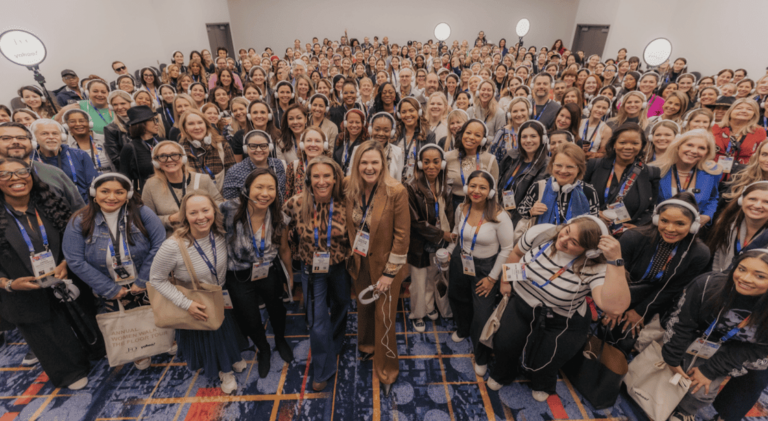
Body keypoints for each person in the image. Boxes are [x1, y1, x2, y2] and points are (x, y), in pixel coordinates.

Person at [488, 215, 628, 401]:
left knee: (548, 358)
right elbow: (516, 254)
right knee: (505, 344)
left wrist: (615, 261)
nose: (563, 240)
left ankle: (542, 383)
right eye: (566, 231)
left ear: (590, 251)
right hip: (521, 305)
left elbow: (615, 308)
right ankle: (502, 374)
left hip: (560, 320)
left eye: (574, 242)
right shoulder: (541, 233)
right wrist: (505, 282)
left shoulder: (594, 267)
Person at [0, 157, 91, 389]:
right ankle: (68, 372)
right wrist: (8, 284)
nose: (16, 178)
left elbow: (76, 238)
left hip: (63, 277)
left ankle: (94, 351)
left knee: (86, 325)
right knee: (47, 336)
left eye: (21, 171)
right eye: (5, 174)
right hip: (22, 291)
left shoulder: (51, 202)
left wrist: (67, 262)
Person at [63, 172, 167, 369]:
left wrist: (142, 280)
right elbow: (74, 260)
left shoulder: (142, 213)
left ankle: (166, 340)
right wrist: (109, 289)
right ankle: (139, 350)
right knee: (127, 320)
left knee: (158, 312)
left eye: (119, 192)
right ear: (94, 193)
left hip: (146, 277)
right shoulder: (79, 220)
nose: (112, 197)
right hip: (107, 283)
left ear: (127, 195)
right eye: (105, 191)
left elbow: (160, 245)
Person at [149, 191, 247, 394]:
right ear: (185, 215)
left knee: (227, 332)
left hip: (219, 296)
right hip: (196, 302)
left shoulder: (220, 233)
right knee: (213, 340)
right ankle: (224, 371)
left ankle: (233, 357)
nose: (201, 217)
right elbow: (156, 279)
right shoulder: (172, 246)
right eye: (193, 212)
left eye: (205, 210)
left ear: (214, 211)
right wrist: (187, 304)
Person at [663, 250, 768, 421]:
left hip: (738, 349)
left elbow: (760, 351)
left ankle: (686, 411)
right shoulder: (707, 285)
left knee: (703, 388)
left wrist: (711, 370)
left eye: (760, 276)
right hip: (699, 335)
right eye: (741, 269)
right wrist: (672, 357)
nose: (745, 279)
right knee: (672, 370)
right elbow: (682, 323)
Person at [604, 194, 710, 354]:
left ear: (693, 226)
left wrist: (641, 311)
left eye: (680, 223)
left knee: (625, 341)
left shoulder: (700, 254)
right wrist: (613, 306)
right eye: (664, 221)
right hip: (617, 292)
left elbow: (672, 289)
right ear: (656, 219)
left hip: (652, 301)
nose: (670, 229)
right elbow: (613, 274)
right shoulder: (633, 237)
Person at [345, 140, 409, 396]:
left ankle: (387, 369)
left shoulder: (396, 191)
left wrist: (389, 274)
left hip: (385, 268)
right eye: (364, 162)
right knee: (364, 308)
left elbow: (402, 238)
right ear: (356, 163)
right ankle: (367, 346)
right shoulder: (350, 186)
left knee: (384, 318)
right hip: (360, 261)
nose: (369, 167)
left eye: (375, 162)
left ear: (384, 163)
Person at [283, 156, 350, 391]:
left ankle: (337, 339)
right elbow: (280, 224)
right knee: (317, 319)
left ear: (335, 178)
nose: (321, 181)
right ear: (309, 179)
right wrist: (287, 251)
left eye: (326, 176)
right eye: (316, 176)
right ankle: (322, 369)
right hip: (312, 270)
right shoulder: (296, 203)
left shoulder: (346, 203)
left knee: (342, 304)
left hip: (340, 266)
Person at [221, 168, 294, 379]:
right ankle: (264, 349)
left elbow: (284, 249)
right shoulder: (227, 209)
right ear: (246, 189)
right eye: (259, 187)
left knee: (277, 310)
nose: (265, 193)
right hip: (238, 275)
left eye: (270, 188)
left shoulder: (279, 216)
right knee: (250, 317)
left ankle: (280, 340)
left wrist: (289, 278)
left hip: (268, 270)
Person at [446, 170, 514, 375]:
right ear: (466, 188)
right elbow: (458, 233)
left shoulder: (500, 217)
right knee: (457, 297)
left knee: (482, 312)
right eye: (473, 186)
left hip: (486, 267)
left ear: (491, 191)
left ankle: (481, 354)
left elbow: (507, 249)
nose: (476, 191)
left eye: (482, 187)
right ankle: (463, 329)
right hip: (461, 259)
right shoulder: (462, 208)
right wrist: (451, 252)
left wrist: (492, 278)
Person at [406, 144, 456, 331]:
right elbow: (415, 222)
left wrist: (447, 238)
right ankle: (417, 314)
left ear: (442, 164)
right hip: (419, 242)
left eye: (436, 162)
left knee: (432, 277)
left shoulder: (446, 186)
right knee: (418, 281)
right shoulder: (411, 187)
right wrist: (442, 234)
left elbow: (449, 215)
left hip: (439, 242)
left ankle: (428, 307)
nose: (431, 166)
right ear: (419, 163)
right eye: (426, 162)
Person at [584, 123, 660, 232]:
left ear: (642, 145)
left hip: (626, 236)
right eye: (622, 142)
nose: (628, 147)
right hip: (591, 229)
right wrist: (595, 212)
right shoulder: (594, 165)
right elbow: (578, 195)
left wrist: (638, 227)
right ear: (614, 144)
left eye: (635, 143)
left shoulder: (650, 173)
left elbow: (650, 209)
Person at [142, 141, 222, 237]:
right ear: (156, 162)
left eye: (174, 155)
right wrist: (171, 219)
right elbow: (146, 220)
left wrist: (202, 211)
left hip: (204, 236)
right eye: (163, 156)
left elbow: (219, 204)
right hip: (172, 241)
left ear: (183, 158)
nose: (169, 159)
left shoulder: (202, 179)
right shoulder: (151, 185)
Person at [0, 122, 84, 210]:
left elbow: (80, 211)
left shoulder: (53, 173)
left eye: (21, 138)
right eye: (6, 138)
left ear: (32, 143)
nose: (15, 142)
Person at [518, 142, 599, 224]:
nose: (563, 171)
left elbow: (594, 224)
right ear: (552, 165)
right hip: (542, 236)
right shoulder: (538, 187)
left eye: (570, 166)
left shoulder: (588, 191)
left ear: (579, 169)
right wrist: (531, 211)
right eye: (558, 165)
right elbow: (521, 210)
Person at [653, 129, 722, 224]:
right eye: (689, 145)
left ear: (707, 152)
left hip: (694, 229)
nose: (694, 151)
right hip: (659, 226)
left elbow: (713, 197)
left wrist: (707, 215)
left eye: (701, 148)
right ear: (678, 146)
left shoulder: (712, 172)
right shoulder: (655, 170)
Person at [31, 118, 98, 203]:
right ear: (34, 137)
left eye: (55, 133)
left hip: (82, 206)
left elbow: (93, 185)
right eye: (44, 134)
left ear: (62, 137)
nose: (51, 137)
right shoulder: (31, 159)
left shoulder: (80, 155)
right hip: (50, 208)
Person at [709, 182, 768, 272]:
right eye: (752, 199)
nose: (757, 205)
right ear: (741, 200)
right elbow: (718, 258)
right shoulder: (727, 224)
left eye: (766, 202)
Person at [445, 119, 499, 210]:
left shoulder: (490, 160)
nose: (471, 137)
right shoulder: (447, 157)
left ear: (483, 140)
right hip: (451, 206)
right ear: (462, 134)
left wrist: (494, 212)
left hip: (480, 206)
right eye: (468, 133)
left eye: (477, 135)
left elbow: (494, 191)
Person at [178, 109, 236, 191]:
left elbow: (232, 176)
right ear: (185, 128)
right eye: (191, 124)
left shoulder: (222, 145)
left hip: (221, 199)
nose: (197, 127)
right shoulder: (179, 152)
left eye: (200, 122)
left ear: (206, 125)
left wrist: (226, 199)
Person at [222, 130, 287, 201]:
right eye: (253, 146)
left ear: (270, 147)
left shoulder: (278, 164)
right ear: (246, 148)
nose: (258, 150)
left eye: (263, 146)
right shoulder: (234, 172)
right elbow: (229, 204)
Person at [119, 106, 163, 193]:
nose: (157, 123)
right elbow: (124, 178)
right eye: (153, 120)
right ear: (141, 124)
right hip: (146, 193)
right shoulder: (130, 148)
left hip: (169, 190)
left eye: (156, 120)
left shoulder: (163, 142)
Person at [713, 99, 767, 167]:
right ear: (730, 111)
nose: (744, 111)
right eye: (739, 108)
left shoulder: (759, 131)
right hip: (714, 169)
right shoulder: (715, 127)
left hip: (744, 172)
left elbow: (762, 154)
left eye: (749, 109)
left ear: (754, 114)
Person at [63, 108, 113, 174]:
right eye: (72, 121)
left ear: (90, 123)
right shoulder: (64, 146)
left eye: (82, 121)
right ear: (66, 126)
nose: (78, 124)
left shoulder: (105, 139)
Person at [286, 128, 330, 198]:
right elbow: (287, 197)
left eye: (317, 141)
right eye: (309, 140)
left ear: (324, 145)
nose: (313, 144)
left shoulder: (332, 168)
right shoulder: (293, 167)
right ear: (302, 145)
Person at [489, 97, 531, 163]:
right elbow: (493, 159)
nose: (519, 114)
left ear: (529, 111)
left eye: (522, 110)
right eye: (515, 111)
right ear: (509, 114)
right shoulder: (502, 133)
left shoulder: (535, 132)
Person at [103, 90, 134, 169]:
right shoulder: (110, 129)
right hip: (130, 171)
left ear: (132, 104)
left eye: (123, 103)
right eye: (115, 105)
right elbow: (115, 158)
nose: (119, 107)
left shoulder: (142, 123)